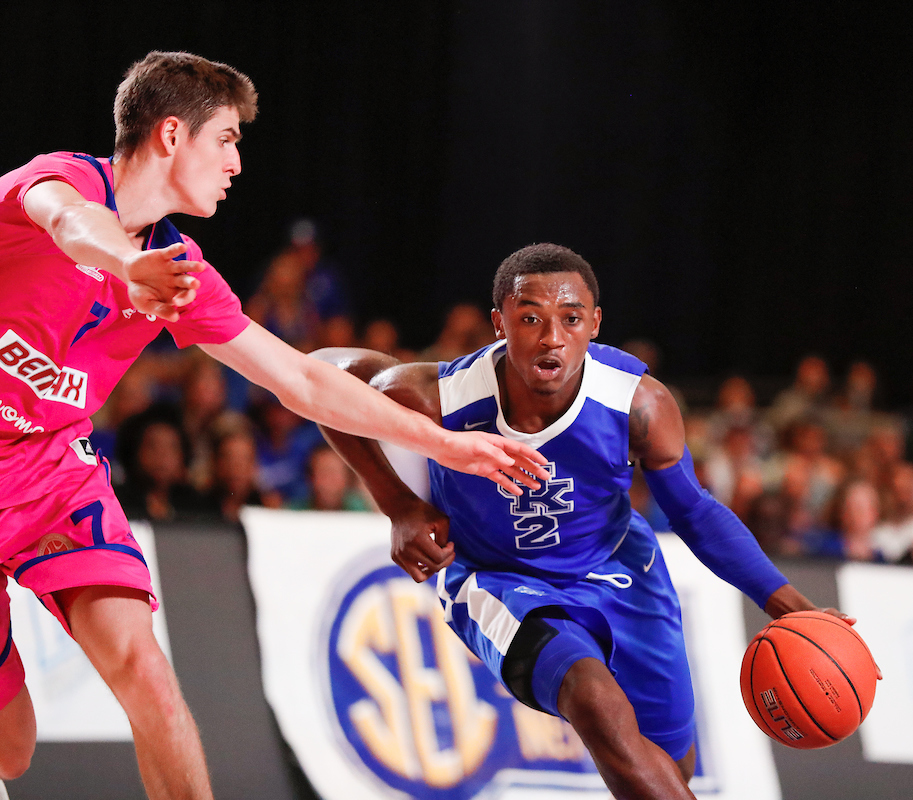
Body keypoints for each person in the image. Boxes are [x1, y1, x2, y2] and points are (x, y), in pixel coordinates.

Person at [0, 51, 547, 798]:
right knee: (12, 748)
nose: (235, 162)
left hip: (53, 470)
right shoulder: (57, 182)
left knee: (149, 674)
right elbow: (70, 223)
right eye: (225, 139)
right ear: (169, 135)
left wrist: (448, 444)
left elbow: (300, 379)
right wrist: (126, 267)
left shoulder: (182, 269)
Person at [313, 243, 870, 800]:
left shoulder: (638, 402)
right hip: (500, 579)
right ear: (498, 323)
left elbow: (696, 511)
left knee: (667, 773)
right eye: (530, 317)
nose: (552, 336)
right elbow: (325, 376)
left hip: (621, 568)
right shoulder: (444, 394)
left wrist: (792, 608)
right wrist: (398, 505)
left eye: (571, 318)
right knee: (592, 695)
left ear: (595, 324)